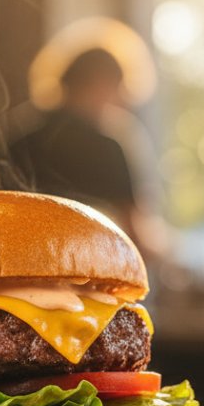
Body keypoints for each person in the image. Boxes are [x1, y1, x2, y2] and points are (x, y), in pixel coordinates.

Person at [9, 48, 164, 258]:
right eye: (118, 90)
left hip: (18, 260)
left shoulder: (18, 136)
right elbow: (133, 235)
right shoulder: (106, 149)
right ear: (102, 83)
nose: (120, 102)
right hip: (87, 272)